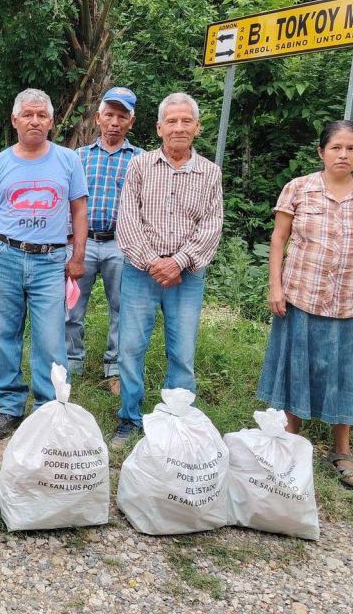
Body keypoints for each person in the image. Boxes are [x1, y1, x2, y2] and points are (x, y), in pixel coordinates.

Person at [258, 120, 353, 489]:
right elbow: (278, 239)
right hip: (301, 296)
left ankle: (341, 451)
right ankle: (288, 444)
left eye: (351, 148)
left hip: (351, 303)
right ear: (321, 152)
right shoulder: (299, 189)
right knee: (295, 369)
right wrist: (275, 286)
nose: (343, 155)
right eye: (336, 148)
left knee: (344, 376)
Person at [0, 88, 88, 439]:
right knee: (4, 334)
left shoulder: (68, 161)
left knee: (50, 339)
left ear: (51, 122)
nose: (35, 121)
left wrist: (78, 256)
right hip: (5, 256)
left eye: (41, 115)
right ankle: (9, 406)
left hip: (51, 260)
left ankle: (48, 409)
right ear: (15, 120)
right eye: (28, 114)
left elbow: (80, 210)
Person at [113, 92, 223, 445]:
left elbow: (211, 225)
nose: (178, 127)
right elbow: (127, 219)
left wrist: (177, 263)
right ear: (159, 128)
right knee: (130, 348)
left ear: (197, 127)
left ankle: (177, 419)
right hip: (139, 273)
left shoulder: (209, 172)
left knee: (182, 351)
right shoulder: (140, 166)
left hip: (187, 276)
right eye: (171, 121)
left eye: (185, 121)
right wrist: (151, 262)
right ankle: (130, 417)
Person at [66, 87, 143, 394]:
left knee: (122, 308)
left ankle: (114, 368)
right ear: (97, 118)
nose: (114, 122)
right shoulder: (77, 158)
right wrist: (70, 242)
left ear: (131, 122)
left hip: (121, 245)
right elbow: (65, 202)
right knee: (71, 306)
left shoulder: (141, 160)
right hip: (81, 244)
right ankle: (71, 362)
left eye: (121, 116)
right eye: (108, 115)